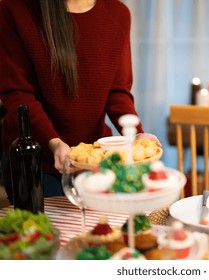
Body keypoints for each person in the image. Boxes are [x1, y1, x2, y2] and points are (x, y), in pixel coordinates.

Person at [0, 0, 160, 202]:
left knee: (100, 230)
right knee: (48, 231)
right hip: (33, 158)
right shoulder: (14, 10)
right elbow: (18, 93)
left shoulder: (118, 14)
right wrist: (55, 143)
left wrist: (136, 133)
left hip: (93, 162)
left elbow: (117, 91)